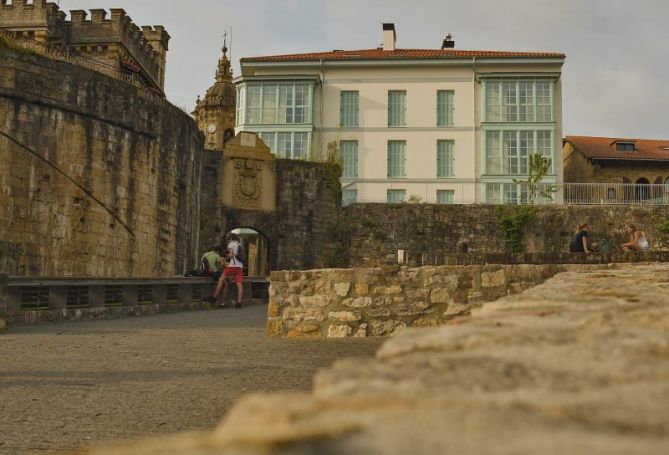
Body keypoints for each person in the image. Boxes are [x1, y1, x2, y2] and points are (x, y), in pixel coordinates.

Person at [207, 234, 244, 308]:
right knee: (239, 284)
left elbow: (230, 255)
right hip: (240, 266)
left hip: (233, 265)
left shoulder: (231, 244)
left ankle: (214, 296)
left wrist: (226, 256)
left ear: (230, 238)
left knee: (221, 279)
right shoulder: (239, 244)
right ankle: (239, 302)